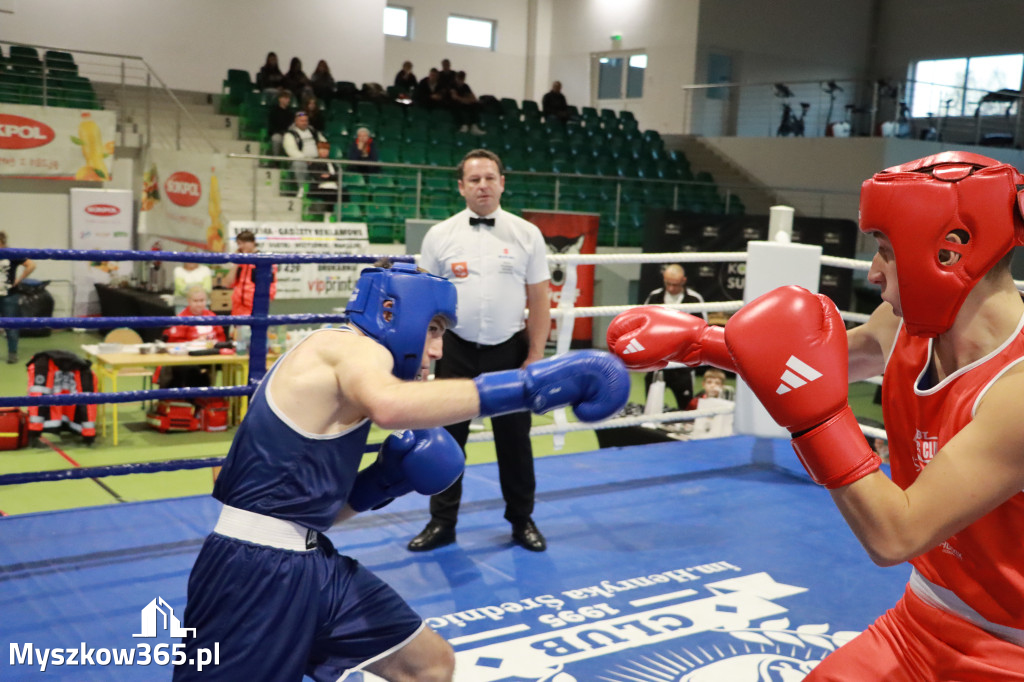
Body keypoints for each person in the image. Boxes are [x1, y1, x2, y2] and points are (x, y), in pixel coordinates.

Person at [607, 151, 1024, 680]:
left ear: (948, 252)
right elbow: (809, 366)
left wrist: (815, 423)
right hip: (922, 615)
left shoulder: (1016, 393)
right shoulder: (903, 327)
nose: (873, 272)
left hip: (1009, 651)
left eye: (887, 252)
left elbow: (895, 535)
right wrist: (697, 342)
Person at [173, 260, 630, 681]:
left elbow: (315, 514)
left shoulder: (348, 377)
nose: (437, 349)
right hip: (251, 571)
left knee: (429, 665)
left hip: (311, 561)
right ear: (390, 312)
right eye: (432, 329)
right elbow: (390, 406)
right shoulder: (348, 347)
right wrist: (529, 387)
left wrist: (383, 481)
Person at [408, 149, 554, 553]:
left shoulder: (527, 234)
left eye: (490, 178)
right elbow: (426, 301)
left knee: (515, 442)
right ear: (461, 187)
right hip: (454, 350)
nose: (483, 185)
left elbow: (539, 299)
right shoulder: (440, 235)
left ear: (502, 182)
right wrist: (426, 354)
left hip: (510, 351)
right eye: (474, 180)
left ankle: (522, 520)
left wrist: (536, 354)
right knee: (446, 439)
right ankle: (442, 522)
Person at [643, 264, 706, 410]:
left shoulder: (694, 299)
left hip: (682, 366)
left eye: (675, 284)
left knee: (686, 409)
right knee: (651, 409)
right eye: (668, 284)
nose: (671, 288)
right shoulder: (654, 297)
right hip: (658, 363)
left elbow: (703, 330)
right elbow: (643, 326)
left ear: (683, 280)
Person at [220, 230, 277, 344]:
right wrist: (236, 262)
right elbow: (226, 283)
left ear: (252, 242)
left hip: (255, 310)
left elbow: (271, 289)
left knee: (256, 343)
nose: (241, 247)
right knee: (237, 344)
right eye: (239, 244)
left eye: (244, 243)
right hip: (237, 311)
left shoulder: (264, 261)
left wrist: (260, 306)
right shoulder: (240, 262)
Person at [0, 231, 35, 364]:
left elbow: (31, 265)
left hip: (9, 295)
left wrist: (19, 279)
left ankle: (12, 353)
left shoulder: (11, 253)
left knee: (11, 325)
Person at [282, 110, 326, 196]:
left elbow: (324, 143)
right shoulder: (290, 134)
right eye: (302, 121)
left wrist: (322, 154)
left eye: (306, 120)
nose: (304, 123)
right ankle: (301, 188)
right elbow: (291, 151)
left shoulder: (313, 132)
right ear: (296, 121)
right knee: (298, 163)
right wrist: (306, 159)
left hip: (317, 160)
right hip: (303, 161)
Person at [448, 71, 485, 135]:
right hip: (453, 104)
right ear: (456, 78)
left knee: (474, 105)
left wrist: (465, 100)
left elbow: (474, 99)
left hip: (464, 103)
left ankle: (474, 126)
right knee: (456, 105)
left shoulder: (465, 86)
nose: (460, 80)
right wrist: (466, 100)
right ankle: (463, 125)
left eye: (462, 79)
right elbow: (454, 97)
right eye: (459, 78)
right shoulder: (452, 85)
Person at [266, 88, 293, 159]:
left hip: (287, 134)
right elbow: (271, 125)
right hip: (277, 133)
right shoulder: (273, 111)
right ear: (280, 99)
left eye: (288, 98)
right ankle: (276, 160)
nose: (288, 100)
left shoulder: (290, 112)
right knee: (276, 138)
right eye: (286, 98)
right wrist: (280, 132)